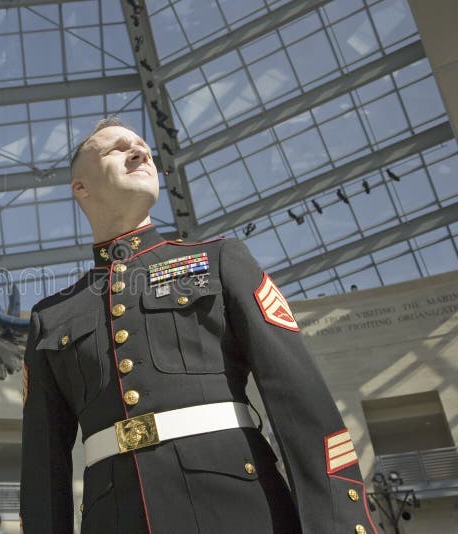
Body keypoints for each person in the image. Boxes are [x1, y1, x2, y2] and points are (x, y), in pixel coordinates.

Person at [20, 117, 377, 534]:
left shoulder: (221, 260)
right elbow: (43, 472)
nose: (140, 151)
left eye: (142, 145)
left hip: (239, 510)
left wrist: (337, 523)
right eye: (117, 148)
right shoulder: (51, 316)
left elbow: (301, 403)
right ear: (80, 187)